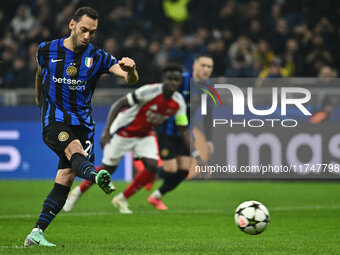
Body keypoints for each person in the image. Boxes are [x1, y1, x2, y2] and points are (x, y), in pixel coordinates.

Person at [24, 6, 138, 247]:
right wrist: (38, 98)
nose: (87, 36)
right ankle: (97, 176)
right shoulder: (47, 50)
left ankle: (36, 232)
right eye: (84, 30)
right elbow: (39, 74)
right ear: (72, 25)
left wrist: (132, 70)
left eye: (92, 32)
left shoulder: (98, 57)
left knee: (65, 178)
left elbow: (128, 79)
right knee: (75, 150)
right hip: (55, 121)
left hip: (84, 126)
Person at [63, 63, 203, 214]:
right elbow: (119, 104)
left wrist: (195, 154)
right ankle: (78, 192)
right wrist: (107, 131)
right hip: (124, 131)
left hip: (145, 134)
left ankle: (122, 198)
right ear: (163, 79)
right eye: (169, 79)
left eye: (176, 80)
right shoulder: (149, 91)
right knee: (108, 169)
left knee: (152, 166)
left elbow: (183, 130)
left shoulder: (178, 102)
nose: (172, 83)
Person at [149, 53, 214, 210]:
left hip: (185, 133)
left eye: (209, 67)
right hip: (167, 129)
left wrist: (209, 140)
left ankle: (156, 196)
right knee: (171, 169)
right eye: (203, 65)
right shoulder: (180, 79)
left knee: (184, 171)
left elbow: (207, 114)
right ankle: (152, 174)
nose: (206, 69)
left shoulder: (208, 87)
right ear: (195, 66)